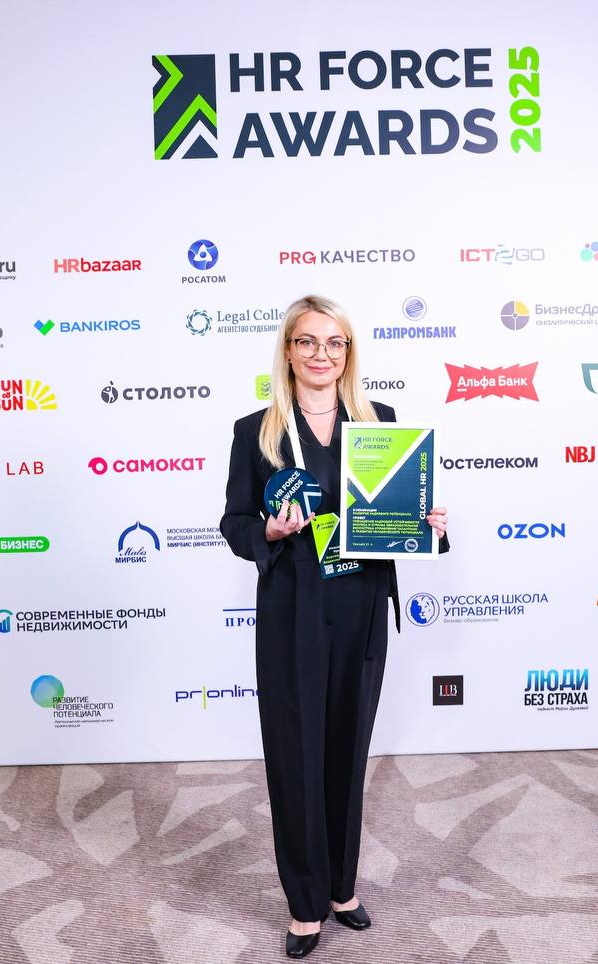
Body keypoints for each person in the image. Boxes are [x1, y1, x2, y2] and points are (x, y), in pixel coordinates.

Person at [219, 294, 448, 959]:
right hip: (293, 607)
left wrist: (429, 527)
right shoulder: (256, 431)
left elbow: (399, 515)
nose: (322, 354)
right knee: (296, 752)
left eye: (335, 342)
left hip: (361, 602)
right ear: (288, 351)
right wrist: (266, 530)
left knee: (348, 746)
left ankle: (342, 888)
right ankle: (304, 902)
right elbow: (234, 521)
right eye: (308, 341)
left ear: (349, 353)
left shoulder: (381, 424)